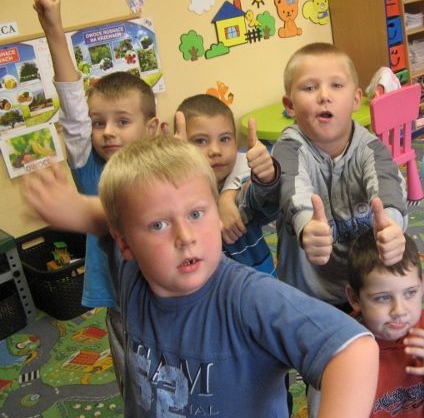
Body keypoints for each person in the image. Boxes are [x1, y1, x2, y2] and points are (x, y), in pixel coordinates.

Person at [95, 135, 376, 417]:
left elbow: (355, 351)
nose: (185, 237)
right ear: (125, 244)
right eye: (159, 224)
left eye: (196, 214)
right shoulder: (132, 272)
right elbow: (102, 215)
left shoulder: (249, 298)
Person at [33, 0, 159, 392]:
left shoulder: (164, 165)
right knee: (135, 385)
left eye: (122, 121)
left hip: (168, 293)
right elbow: (73, 109)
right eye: (99, 122)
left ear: (150, 129)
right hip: (123, 303)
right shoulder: (91, 169)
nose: (107, 132)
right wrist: (53, 28)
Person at [272, 42, 409, 310]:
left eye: (336, 85)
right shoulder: (288, 148)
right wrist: (306, 225)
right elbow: (292, 186)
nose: (324, 96)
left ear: (356, 99)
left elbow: (387, 184)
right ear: (290, 105)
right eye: (309, 88)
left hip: (364, 292)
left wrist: (391, 225)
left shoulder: (370, 148)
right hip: (305, 299)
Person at [346, 230, 424, 417]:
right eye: (382, 298)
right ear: (354, 298)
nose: (399, 311)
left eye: (410, 293)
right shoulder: (343, 350)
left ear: (421, 286)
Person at [176, 94, 277, 275]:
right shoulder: (176, 200)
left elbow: (263, 196)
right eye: (200, 141)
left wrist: (267, 177)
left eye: (224, 139)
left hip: (259, 283)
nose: (215, 151)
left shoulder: (242, 188)